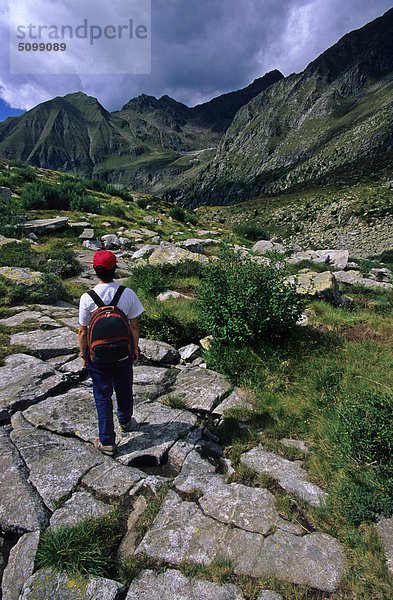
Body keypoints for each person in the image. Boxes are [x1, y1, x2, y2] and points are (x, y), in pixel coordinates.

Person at [78, 250, 144, 456]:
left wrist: (83, 355)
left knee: (102, 394)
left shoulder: (87, 298)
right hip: (123, 353)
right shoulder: (127, 293)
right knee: (124, 387)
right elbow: (133, 327)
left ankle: (107, 441)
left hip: (97, 357)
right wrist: (134, 348)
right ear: (115, 269)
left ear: (95, 270)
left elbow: (83, 331)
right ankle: (125, 420)